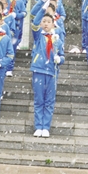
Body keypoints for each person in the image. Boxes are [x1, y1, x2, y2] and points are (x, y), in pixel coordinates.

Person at [29, 9, 65, 138]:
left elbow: (62, 56)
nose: (45, 24)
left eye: (48, 22)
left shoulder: (58, 40)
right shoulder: (39, 37)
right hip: (39, 70)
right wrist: (42, 10)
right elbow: (34, 24)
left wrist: (59, 59)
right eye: (43, 21)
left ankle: (46, 126)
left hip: (52, 72)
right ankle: (38, 126)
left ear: (53, 24)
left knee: (49, 101)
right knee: (39, 100)